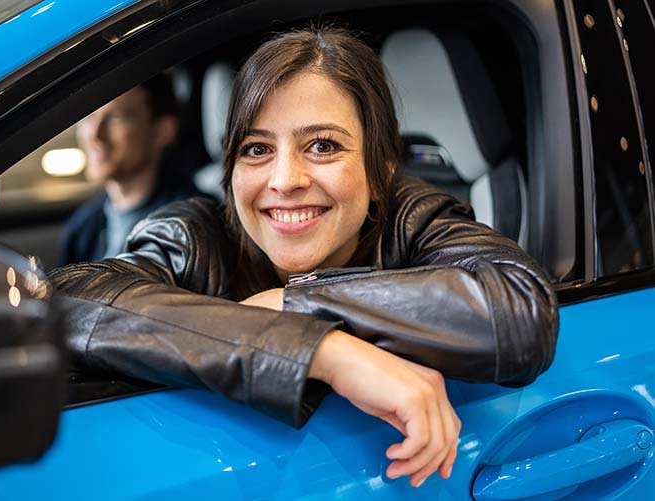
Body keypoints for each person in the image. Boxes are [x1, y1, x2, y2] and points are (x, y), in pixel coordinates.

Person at [50, 25, 558, 488]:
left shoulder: (413, 218)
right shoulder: (197, 234)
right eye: (256, 149)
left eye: (322, 145)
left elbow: (518, 312)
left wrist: (290, 302)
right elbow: (66, 302)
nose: (285, 180)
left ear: (381, 168)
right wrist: (323, 350)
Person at [58, 73, 203, 264]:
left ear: (162, 131)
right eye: (88, 116)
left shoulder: (192, 225)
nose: (94, 134)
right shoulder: (83, 227)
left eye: (116, 118)